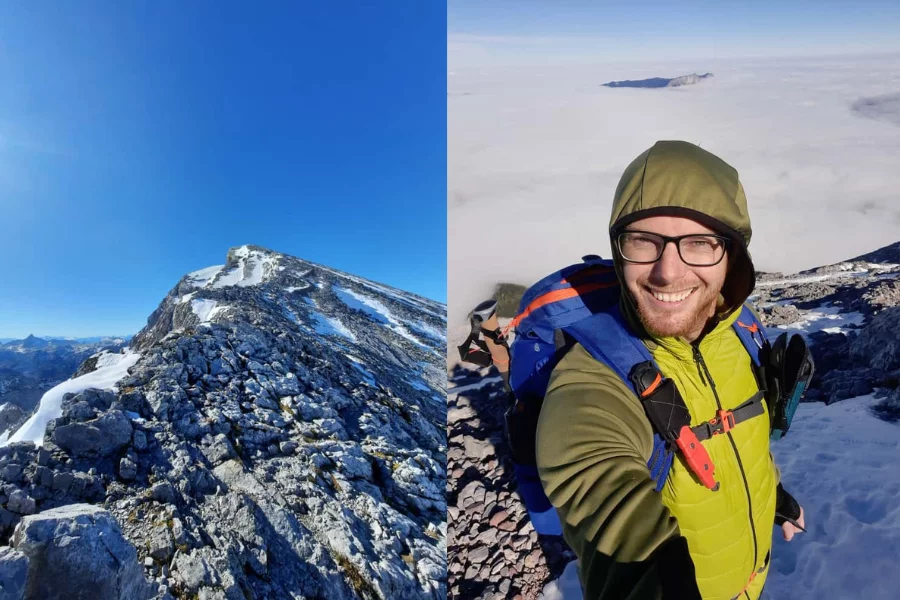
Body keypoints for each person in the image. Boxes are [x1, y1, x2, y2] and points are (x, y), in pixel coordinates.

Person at [535, 141, 805, 600]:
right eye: (644, 241)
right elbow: (605, 494)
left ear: (732, 256)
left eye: (700, 243)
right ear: (619, 250)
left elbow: (742, 439)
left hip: (752, 579)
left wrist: (771, 496)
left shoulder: (739, 331)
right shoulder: (592, 380)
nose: (666, 272)